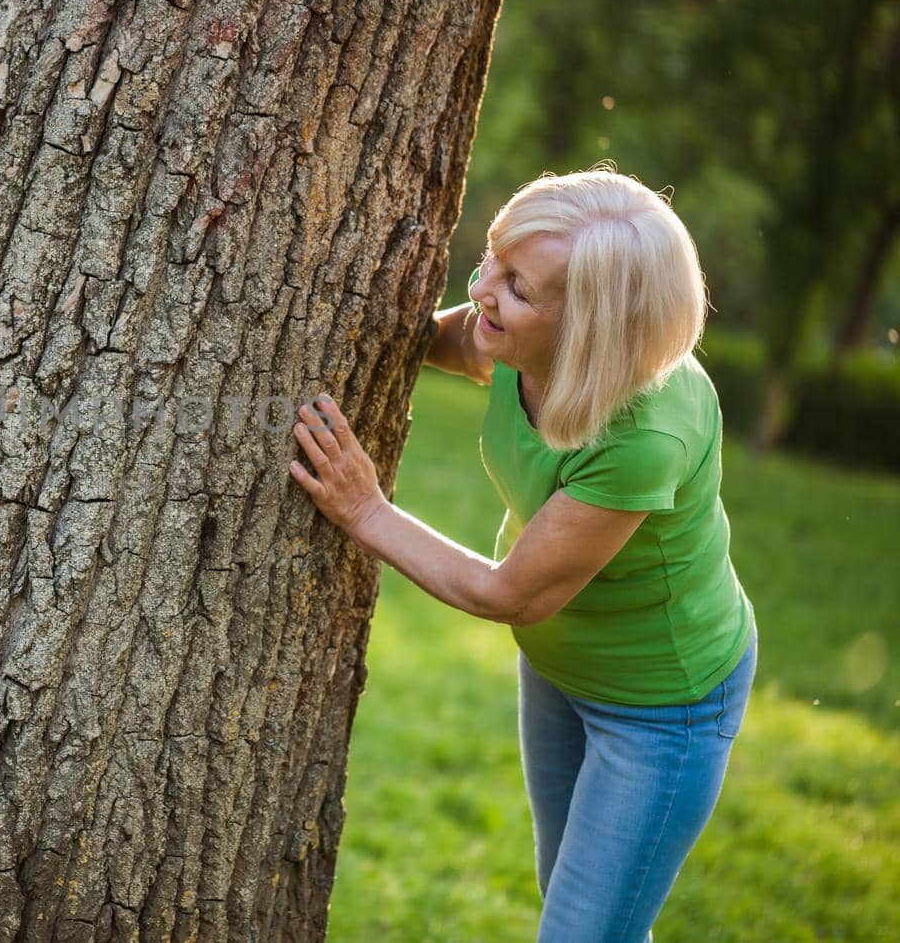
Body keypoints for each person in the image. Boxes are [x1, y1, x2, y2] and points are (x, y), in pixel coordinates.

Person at [288, 168, 757, 943]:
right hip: (560, 669)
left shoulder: (644, 436)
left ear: (590, 332)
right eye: (492, 260)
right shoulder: (514, 340)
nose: (479, 290)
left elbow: (511, 593)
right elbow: (443, 342)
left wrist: (365, 508)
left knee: (584, 933)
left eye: (516, 286)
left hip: (660, 708)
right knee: (580, 906)